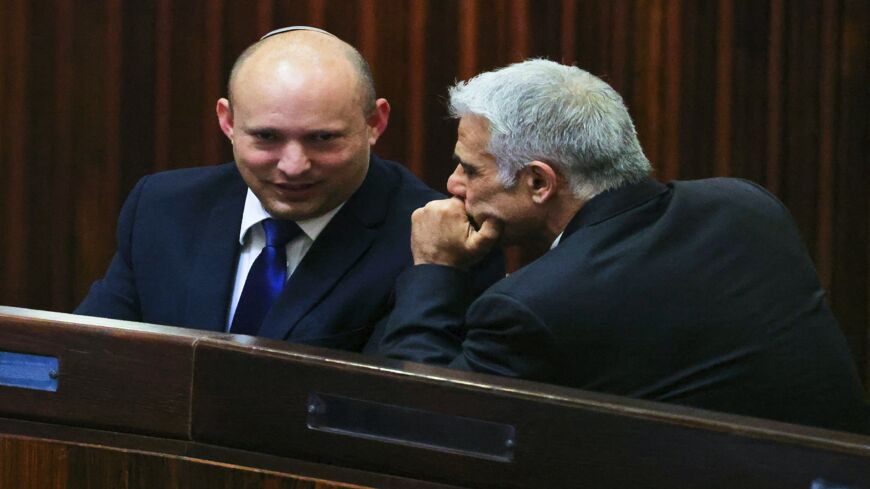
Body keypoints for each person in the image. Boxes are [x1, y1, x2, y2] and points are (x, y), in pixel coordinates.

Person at [379, 59, 870, 433]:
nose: (452, 183)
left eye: (470, 168)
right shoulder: (747, 207)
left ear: (538, 183)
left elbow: (422, 421)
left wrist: (434, 269)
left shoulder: (533, 306)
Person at [76, 26, 501, 352]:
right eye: (266, 137)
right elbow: (85, 358)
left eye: (323, 139)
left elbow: (415, 413)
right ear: (227, 121)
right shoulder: (164, 207)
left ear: (375, 123)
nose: (293, 166)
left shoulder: (442, 243)